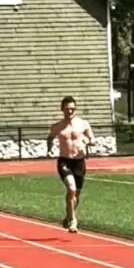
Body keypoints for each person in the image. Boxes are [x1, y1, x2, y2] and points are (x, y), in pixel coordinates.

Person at [47, 96, 95, 233]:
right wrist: (49, 149)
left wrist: (89, 142)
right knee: (71, 188)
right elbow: (50, 138)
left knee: (77, 194)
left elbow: (92, 138)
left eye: (72, 109)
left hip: (79, 161)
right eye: (67, 109)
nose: (70, 111)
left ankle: (68, 216)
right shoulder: (57, 126)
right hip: (64, 161)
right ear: (62, 109)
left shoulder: (83, 124)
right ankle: (73, 221)